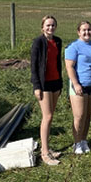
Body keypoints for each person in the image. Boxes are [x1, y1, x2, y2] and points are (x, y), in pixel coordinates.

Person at [65, 21, 91, 155]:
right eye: (84, 30)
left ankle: (84, 140)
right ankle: (76, 143)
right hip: (79, 86)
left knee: (88, 115)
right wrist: (76, 84)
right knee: (79, 116)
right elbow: (69, 67)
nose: (87, 32)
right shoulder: (74, 47)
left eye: (89, 30)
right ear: (78, 32)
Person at [30, 15, 63, 166]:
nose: (50, 28)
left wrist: (61, 83)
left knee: (51, 116)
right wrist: (36, 86)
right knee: (47, 117)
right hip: (44, 84)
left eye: (53, 25)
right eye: (48, 25)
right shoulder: (38, 42)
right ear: (42, 27)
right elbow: (34, 66)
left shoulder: (57, 41)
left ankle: (47, 148)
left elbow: (57, 64)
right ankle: (44, 153)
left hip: (56, 83)